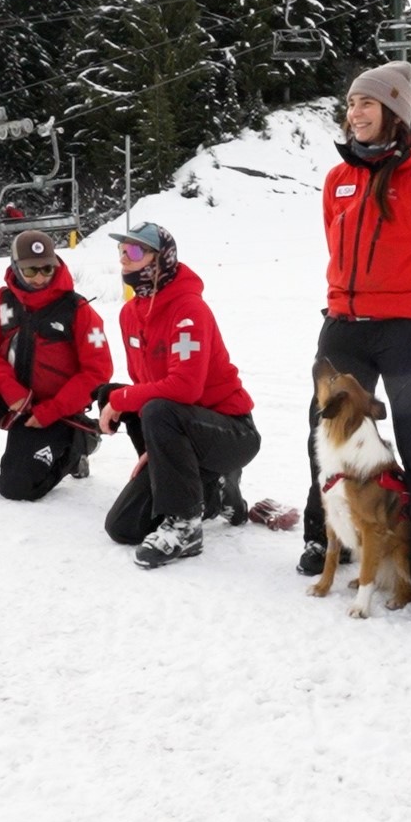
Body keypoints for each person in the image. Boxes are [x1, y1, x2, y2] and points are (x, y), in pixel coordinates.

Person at [298, 60, 411, 618]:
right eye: (351, 104)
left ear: (395, 111)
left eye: (367, 104)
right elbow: (336, 248)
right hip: (345, 323)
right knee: (327, 432)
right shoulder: (338, 179)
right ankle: (325, 533)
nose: (355, 114)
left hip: (409, 331)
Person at [97, 221, 261, 569]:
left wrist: (123, 403)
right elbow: (144, 383)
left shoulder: (189, 309)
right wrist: (154, 449)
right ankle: (214, 492)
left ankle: (186, 524)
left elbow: (185, 389)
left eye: (136, 251)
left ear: (162, 259)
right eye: (122, 251)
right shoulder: (129, 313)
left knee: (148, 405)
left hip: (230, 432)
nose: (125, 260)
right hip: (181, 428)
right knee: (123, 527)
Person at [0, 230, 111, 500]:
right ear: (15, 267)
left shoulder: (78, 310)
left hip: (52, 410)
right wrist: (11, 391)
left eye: (47, 269)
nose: (40, 277)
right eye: (30, 270)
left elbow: (97, 372)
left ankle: (78, 444)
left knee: (17, 487)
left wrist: (51, 410)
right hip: (11, 399)